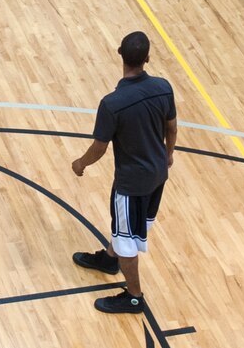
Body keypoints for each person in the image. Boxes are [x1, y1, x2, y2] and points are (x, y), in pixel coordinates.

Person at [71, 31, 178, 314]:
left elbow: (99, 148)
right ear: (147, 58)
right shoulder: (164, 87)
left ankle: (134, 297)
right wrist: (168, 154)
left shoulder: (112, 103)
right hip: (158, 177)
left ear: (119, 53)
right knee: (128, 229)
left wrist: (81, 163)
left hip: (132, 185)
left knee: (127, 240)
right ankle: (109, 259)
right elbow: (172, 128)